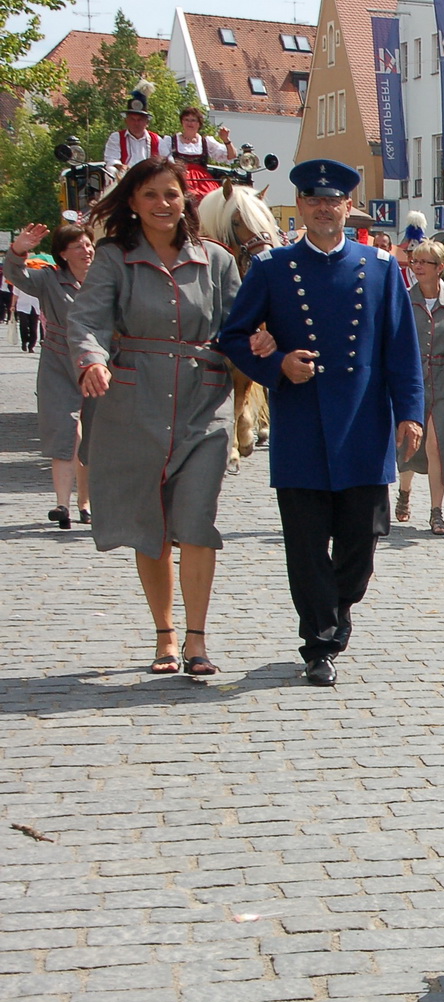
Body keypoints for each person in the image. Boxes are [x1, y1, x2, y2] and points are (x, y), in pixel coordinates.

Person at [215, 159, 424, 687]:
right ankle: (320, 642)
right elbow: (233, 336)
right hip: (302, 426)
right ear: (301, 207)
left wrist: (410, 412)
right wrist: (276, 365)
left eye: (333, 200)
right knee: (306, 547)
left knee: (362, 545)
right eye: (313, 200)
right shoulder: (273, 267)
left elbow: (402, 349)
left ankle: (336, 608)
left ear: (349, 207)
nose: (324, 208)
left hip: (363, 424)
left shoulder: (380, 268)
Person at [67, 156, 243, 676]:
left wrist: (259, 343)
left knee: (196, 520)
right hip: (134, 404)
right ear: (133, 202)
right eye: (150, 195)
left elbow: (239, 325)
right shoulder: (114, 258)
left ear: (185, 200)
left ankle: (197, 640)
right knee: (152, 525)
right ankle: (165, 635)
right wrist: (92, 360)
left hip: (201, 406)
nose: (163, 204)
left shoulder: (215, 260)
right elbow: (87, 320)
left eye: (171, 194)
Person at [6, 222, 96, 529]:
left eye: (88, 244)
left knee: (92, 436)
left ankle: (86, 502)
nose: (86, 250)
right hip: (58, 362)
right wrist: (19, 250)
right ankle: (62, 505)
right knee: (63, 431)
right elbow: (16, 274)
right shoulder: (49, 279)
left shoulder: (106, 280)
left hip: (99, 365)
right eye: (78, 246)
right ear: (63, 254)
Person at [397, 239, 444, 535]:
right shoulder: (402, 300)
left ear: (440, 267)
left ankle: (436, 512)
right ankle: (404, 491)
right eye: (415, 261)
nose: (418, 266)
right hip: (411, 381)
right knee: (409, 443)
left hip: (442, 382)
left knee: (437, 445)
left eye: (424, 262)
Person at [169, 107, 235, 203]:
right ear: (182, 122)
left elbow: (231, 155)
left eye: (193, 120)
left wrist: (225, 139)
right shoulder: (171, 140)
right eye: (186, 119)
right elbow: (165, 161)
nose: (189, 123)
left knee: (213, 199)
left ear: (199, 123)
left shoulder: (206, 142)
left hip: (202, 180)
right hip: (179, 177)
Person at [103, 81, 171, 171]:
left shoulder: (157, 140)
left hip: (148, 177)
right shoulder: (116, 137)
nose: (136, 123)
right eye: (132, 119)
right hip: (125, 176)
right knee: (111, 170)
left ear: (147, 122)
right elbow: (111, 158)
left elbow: (168, 161)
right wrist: (120, 166)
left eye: (140, 120)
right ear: (126, 121)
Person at [15, 282, 40, 352]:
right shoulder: (19, 282)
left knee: (33, 327)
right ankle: (24, 341)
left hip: (35, 306)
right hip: (22, 306)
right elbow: (15, 294)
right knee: (23, 325)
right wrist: (12, 305)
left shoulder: (38, 282)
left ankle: (31, 346)